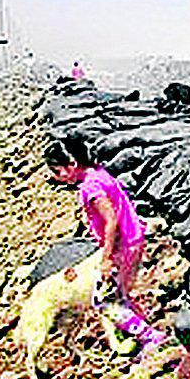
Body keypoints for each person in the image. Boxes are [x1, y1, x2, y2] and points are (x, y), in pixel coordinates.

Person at [43, 135, 169, 357]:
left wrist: (106, 258)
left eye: (57, 171)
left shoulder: (90, 187)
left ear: (72, 165)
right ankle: (145, 331)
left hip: (123, 244)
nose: (57, 178)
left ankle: (149, 336)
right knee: (121, 293)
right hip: (133, 237)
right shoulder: (100, 173)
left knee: (103, 300)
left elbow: (110, 220)